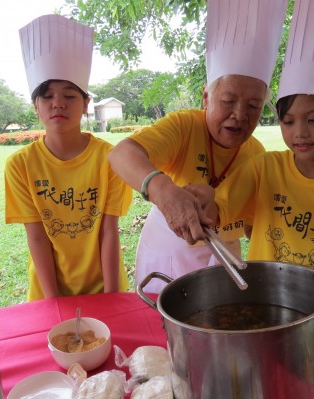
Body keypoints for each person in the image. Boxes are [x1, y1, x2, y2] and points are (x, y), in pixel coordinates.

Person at [186, 0, 314, 380]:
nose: (299, 133)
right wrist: (202, 200)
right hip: (263, 320)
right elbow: (221, 206)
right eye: (287, 122)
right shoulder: (267, 168)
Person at [108, 0, 287, 293]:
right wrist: (164, 191)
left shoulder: (257, 155)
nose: (240, 115)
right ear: (206, 97)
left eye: (253, 106)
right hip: (168, 250)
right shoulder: (184, 126)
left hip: (225, 255)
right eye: (228, 102)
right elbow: (121, 154)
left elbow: (256, 227)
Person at [5, 14, 132, 301]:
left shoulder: (110, 159)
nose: (58, 103)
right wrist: (53, 303)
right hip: (47, 292)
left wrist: (111, 298)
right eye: (47, 96)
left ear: (86, 104)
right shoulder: (20, 165)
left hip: (105, 285)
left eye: (69, 95)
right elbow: (36, 236)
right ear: (35, 106)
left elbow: (108, 231)